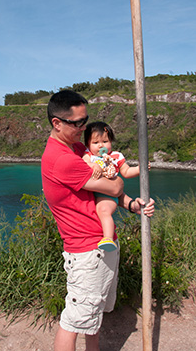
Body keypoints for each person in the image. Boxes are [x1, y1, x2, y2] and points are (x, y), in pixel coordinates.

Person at [41, 90, 155, 351]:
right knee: (73, 322)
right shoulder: (63, 159)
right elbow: (114, 187)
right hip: (88, 252)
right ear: (57, 123)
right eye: (77, 123)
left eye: (85, 120)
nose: (83, 128)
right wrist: (118, 182)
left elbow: (109, 192)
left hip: (101, 247)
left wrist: (134, 205)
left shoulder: (79, 148)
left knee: (92, 319)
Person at [82, 121, 150, 252]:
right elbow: (84, 163)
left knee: (103, 211)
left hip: (106, 195)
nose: (101, 145)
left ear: (111, 141)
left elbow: (126, 172)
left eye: (105, 141)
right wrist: (93, 165)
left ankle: (108, 238)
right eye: (95, 143)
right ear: (88, 144)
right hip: (95, 191)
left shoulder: (116, 156)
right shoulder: (88, 155)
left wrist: (139, 169)